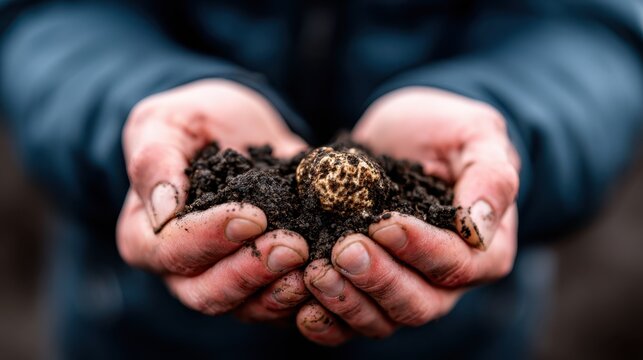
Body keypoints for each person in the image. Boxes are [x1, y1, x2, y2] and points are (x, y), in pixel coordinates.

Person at [1, 0, 641, 358]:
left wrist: (507, 123)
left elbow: (592, 35)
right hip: (139, 329)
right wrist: (136, 105)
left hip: (454, 339)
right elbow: (47, 17)